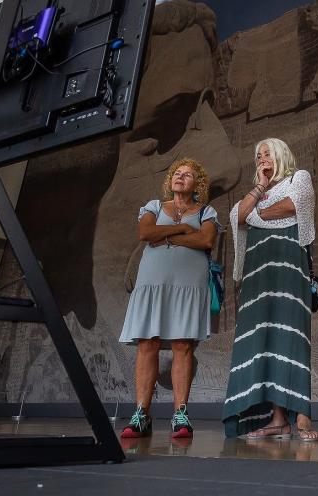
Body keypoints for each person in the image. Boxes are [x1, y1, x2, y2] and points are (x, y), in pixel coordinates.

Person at [223, 138, 318, 442]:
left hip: (288, 269)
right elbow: (238, 217)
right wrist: (260, 189)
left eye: (267, 153)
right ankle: (278, 421)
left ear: (281, 155)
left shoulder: (298, 177)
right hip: (257, 277)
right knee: (263, 343)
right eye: (258, 156)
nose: (261, 158)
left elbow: (295, 205)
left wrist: (259, 214)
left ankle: (301, 417)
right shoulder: (259, 191)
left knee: (289, 337)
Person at [119, 157, 222, 438]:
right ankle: (141, 414)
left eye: (188, 174)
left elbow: (206, 241)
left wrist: (165, 238)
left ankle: (180, 415)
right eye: (177, 173)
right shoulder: (154, 206)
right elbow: (145, 232)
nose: (181, 177)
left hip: (189, 286)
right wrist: (184, 229)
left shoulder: (206, 211)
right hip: (153, 284)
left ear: (197, 183)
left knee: (182, 346)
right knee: (148, 344)